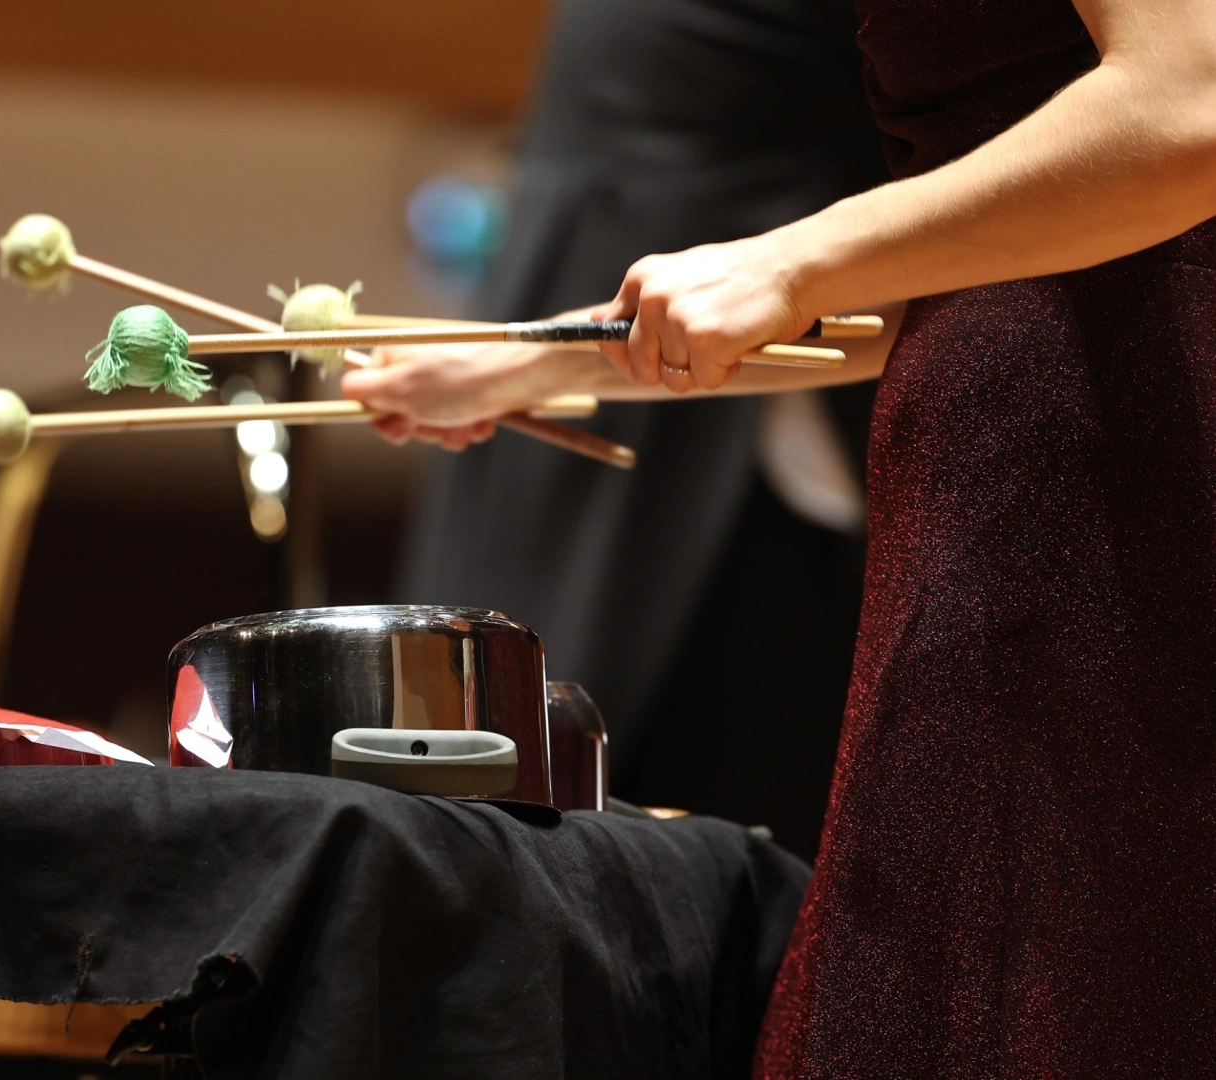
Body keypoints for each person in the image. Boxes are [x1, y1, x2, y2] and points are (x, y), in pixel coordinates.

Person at [345, 0, 1216, 1071]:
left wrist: (795, 257)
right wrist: (537, 360)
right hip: (1015, 469)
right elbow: (978, 260)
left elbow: (1195, 100)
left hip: (1107, 488)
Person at [395, 0, 889, 860]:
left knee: (681, 838)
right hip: (562, 379)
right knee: (484, 807)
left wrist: (531, 364)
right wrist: (523, 360)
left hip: (728, 457)